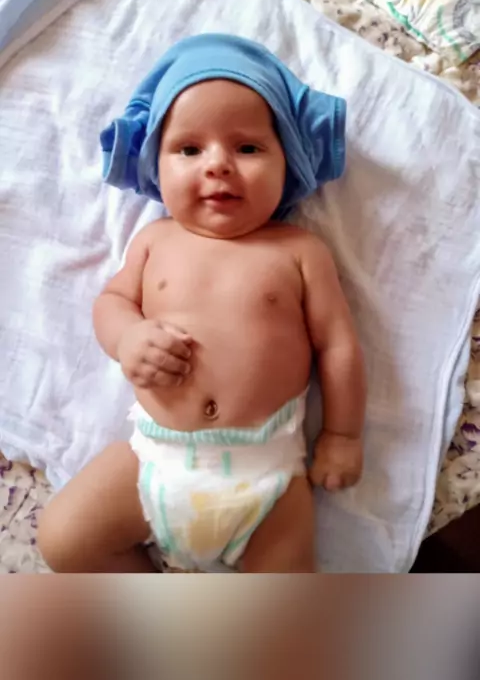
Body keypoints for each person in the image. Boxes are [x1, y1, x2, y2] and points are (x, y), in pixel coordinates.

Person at [38, 34, 366, 573]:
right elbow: (112, 301)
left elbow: (338, 346)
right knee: (63, 538)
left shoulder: (299, 250)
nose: (218, 165)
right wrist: (128, 337)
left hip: (267, 477)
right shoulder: (155, 241)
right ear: (156, 163)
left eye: (248, 148)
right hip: (153, 461)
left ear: (288, 160)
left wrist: (343, 435)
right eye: (189, 149)